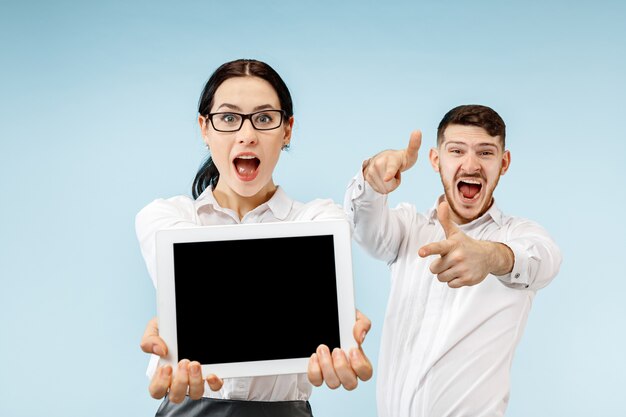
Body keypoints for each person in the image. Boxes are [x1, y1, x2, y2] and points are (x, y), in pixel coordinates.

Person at [135, 58, 372, 417]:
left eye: (264, 119)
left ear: (287, 130)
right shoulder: (167, 218)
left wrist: (337, 323)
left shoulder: (319, 219)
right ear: (205, 128)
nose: (247, 135)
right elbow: (221, 288)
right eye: (229, 119)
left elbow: (209, 294)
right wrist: (311, 303)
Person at [343, 104, 562, 417]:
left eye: (485, 153)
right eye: (457, 151)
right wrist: (371, 183)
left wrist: (490, 256)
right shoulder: (409, 228)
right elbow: (365, 231)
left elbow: (543, 260)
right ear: (436, 159)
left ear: (504, 162)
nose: (470, 165)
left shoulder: (520, 234)